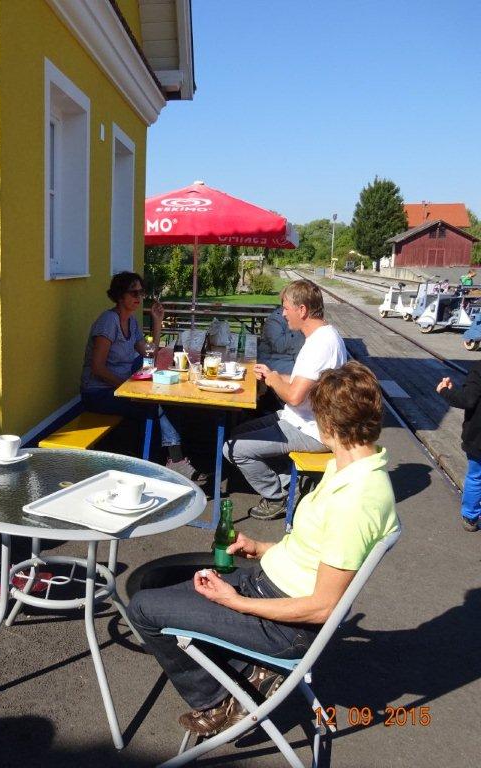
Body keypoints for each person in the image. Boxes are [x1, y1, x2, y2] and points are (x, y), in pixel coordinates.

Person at [128, 361, 399, 738]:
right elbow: (312, 551)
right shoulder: (350, 467)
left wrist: (235, 602)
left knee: (143, 608)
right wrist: (260, 547)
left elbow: (322, 607)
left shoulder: (357, 498)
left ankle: (217, 699)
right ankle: (248, 672)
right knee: (158, 583)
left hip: (286, 627)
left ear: (326, 423)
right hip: (266, 584)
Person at [224, 280, 347, 520]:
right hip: (301, 419)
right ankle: (292, 482)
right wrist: (275, 375)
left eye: (286, 307)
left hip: (314, 429)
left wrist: (272, 380)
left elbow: (294, 396)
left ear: (302, 310)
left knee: (233, 448)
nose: (282, 313)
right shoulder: (322, 336)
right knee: (237, 432)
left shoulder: (320, 345)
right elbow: (304, 382)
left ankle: (277, 497)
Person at [80, 271, 184, 463]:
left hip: (119, 388)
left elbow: (149, 353)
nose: (139, 297)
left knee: (163, 400)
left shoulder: (132, 322)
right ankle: (153, 460)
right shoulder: (108, 321)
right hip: (98, 393)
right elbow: (97, 368)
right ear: (120, 295)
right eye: (134, 293)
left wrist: (157, 321)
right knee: (149, 408)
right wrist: (127, 388)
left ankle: (163, 454)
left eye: (141, 292)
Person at [437, 364, 481, 531]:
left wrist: (445, 391)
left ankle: (470, 518)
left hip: (478, 438)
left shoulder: (478, 369)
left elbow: (468, 400)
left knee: (476, 477)